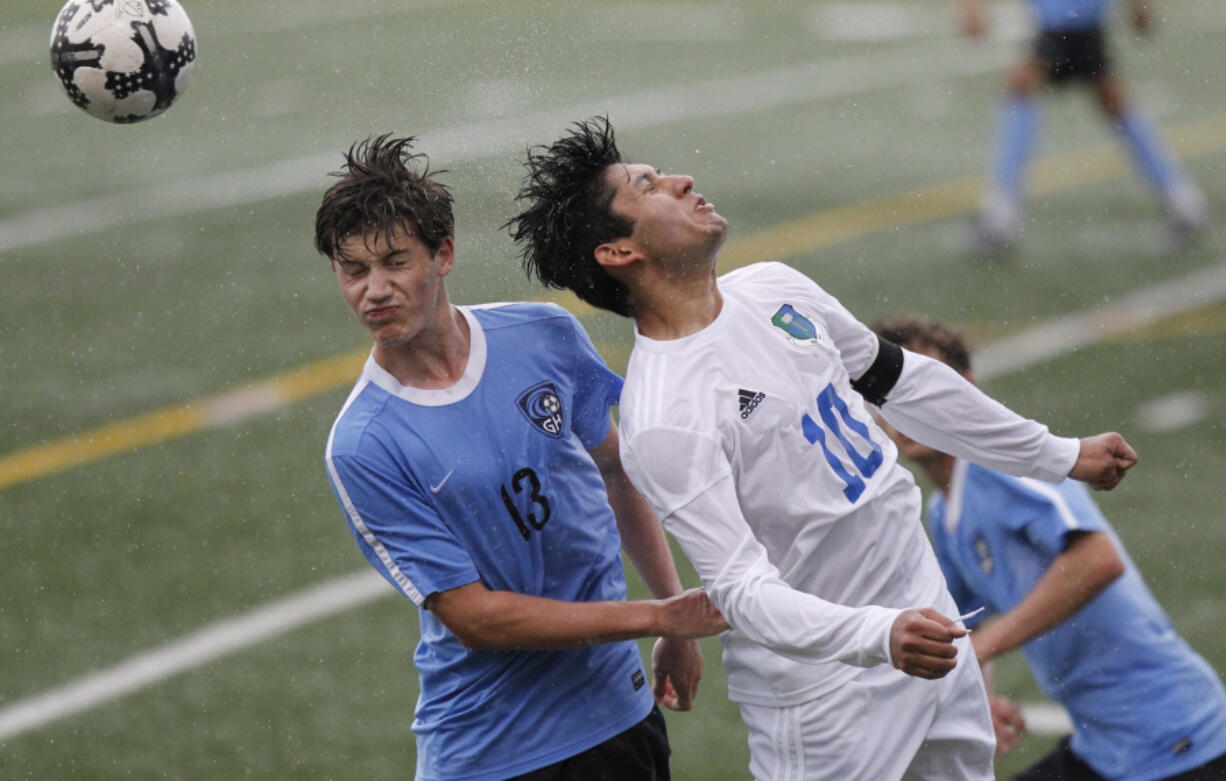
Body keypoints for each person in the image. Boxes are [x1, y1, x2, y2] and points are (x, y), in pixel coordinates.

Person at [505, 116, 1138, 780]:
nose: (681, 180)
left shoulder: (776, 287)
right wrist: (877, 635)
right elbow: (743, 590)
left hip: (927, 628)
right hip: (829, 694)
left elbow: (902, 381)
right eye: (650, 186)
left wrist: (1057, 455)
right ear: (619, 252)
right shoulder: (664, 415)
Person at [314, 133, 727, 781]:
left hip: (619, 715)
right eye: (354, 270)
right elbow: (475, 617)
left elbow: (615, 469)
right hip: (495, 749)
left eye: (395, 261)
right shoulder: (365, 441)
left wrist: (672, 614)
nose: (375, 289)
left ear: (443, 253)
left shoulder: (544, 334)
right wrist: (656, 616)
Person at [875, 314, 1226, 781]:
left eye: (924, 387)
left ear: (965, 390)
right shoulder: (944, 513)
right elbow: (956, 629)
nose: (907, 411)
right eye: (893, 395)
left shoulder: (999, 468)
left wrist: (985, 649)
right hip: (1107, 747)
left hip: (1176, 740)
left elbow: (1098, 560)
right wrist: (980, 699)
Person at [955, 0, 1207, 250]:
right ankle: (1182, 197)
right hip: (1074, 22)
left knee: (1022, 89)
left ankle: (1002, 214)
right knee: (1110, 103)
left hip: (1066, 22)